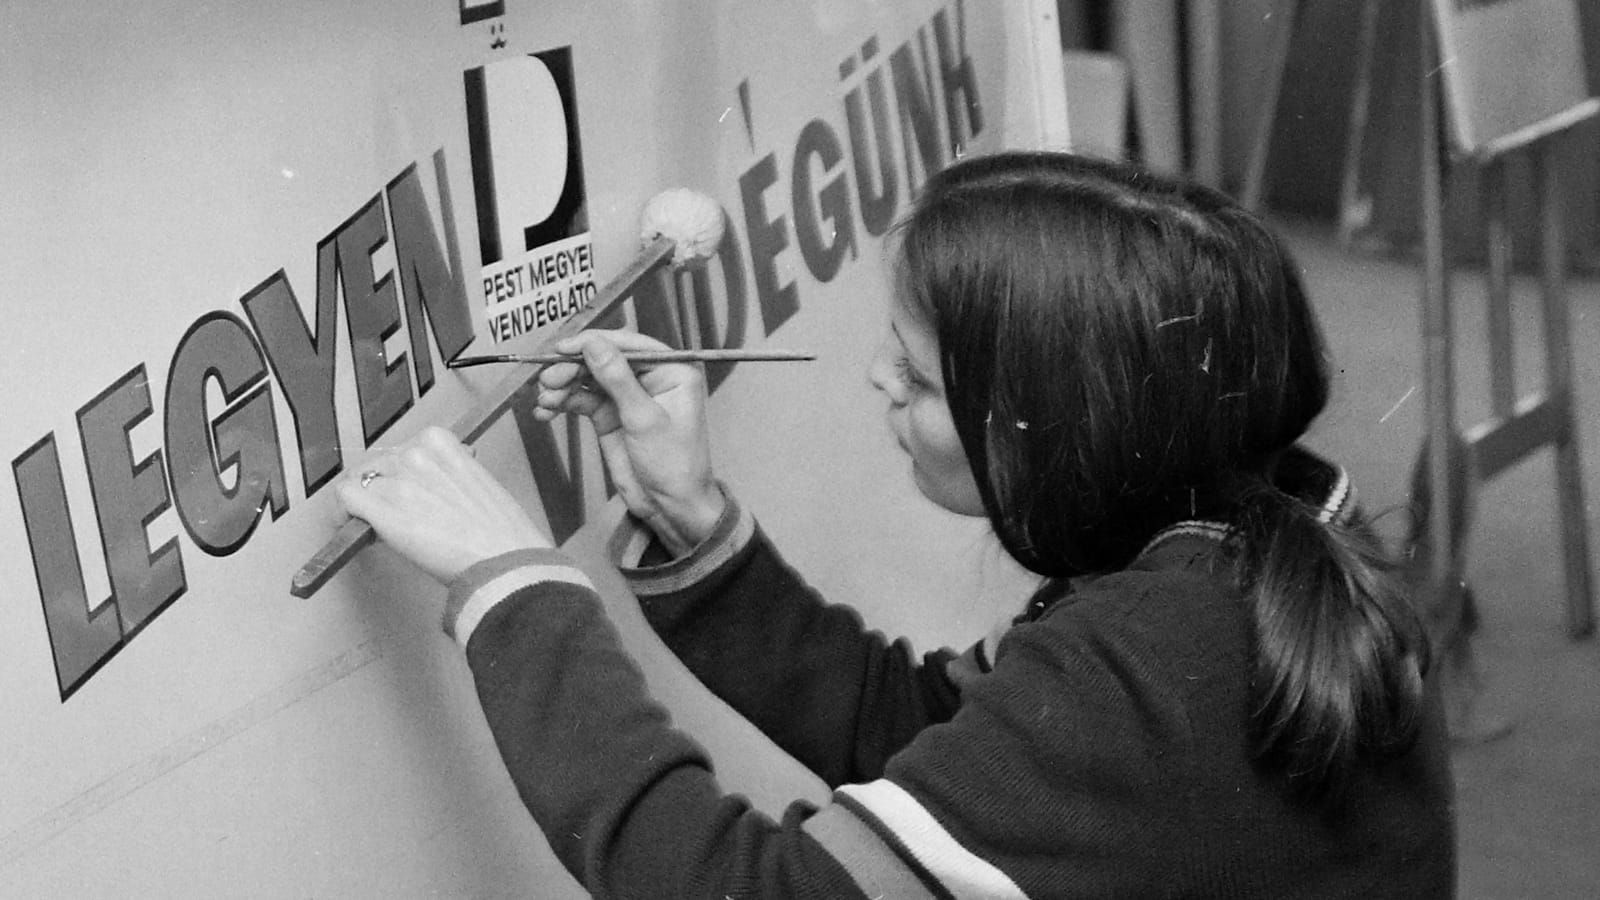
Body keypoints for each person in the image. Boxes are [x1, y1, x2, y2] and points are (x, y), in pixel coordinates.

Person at [338, 151, 1457, 898]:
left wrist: (519, 593)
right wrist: (693, 522)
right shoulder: (1234, 546)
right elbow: (935, 736)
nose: (878, 379)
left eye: (918, 377)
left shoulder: (1163, 656)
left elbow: (744, 889)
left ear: (1049, 431)